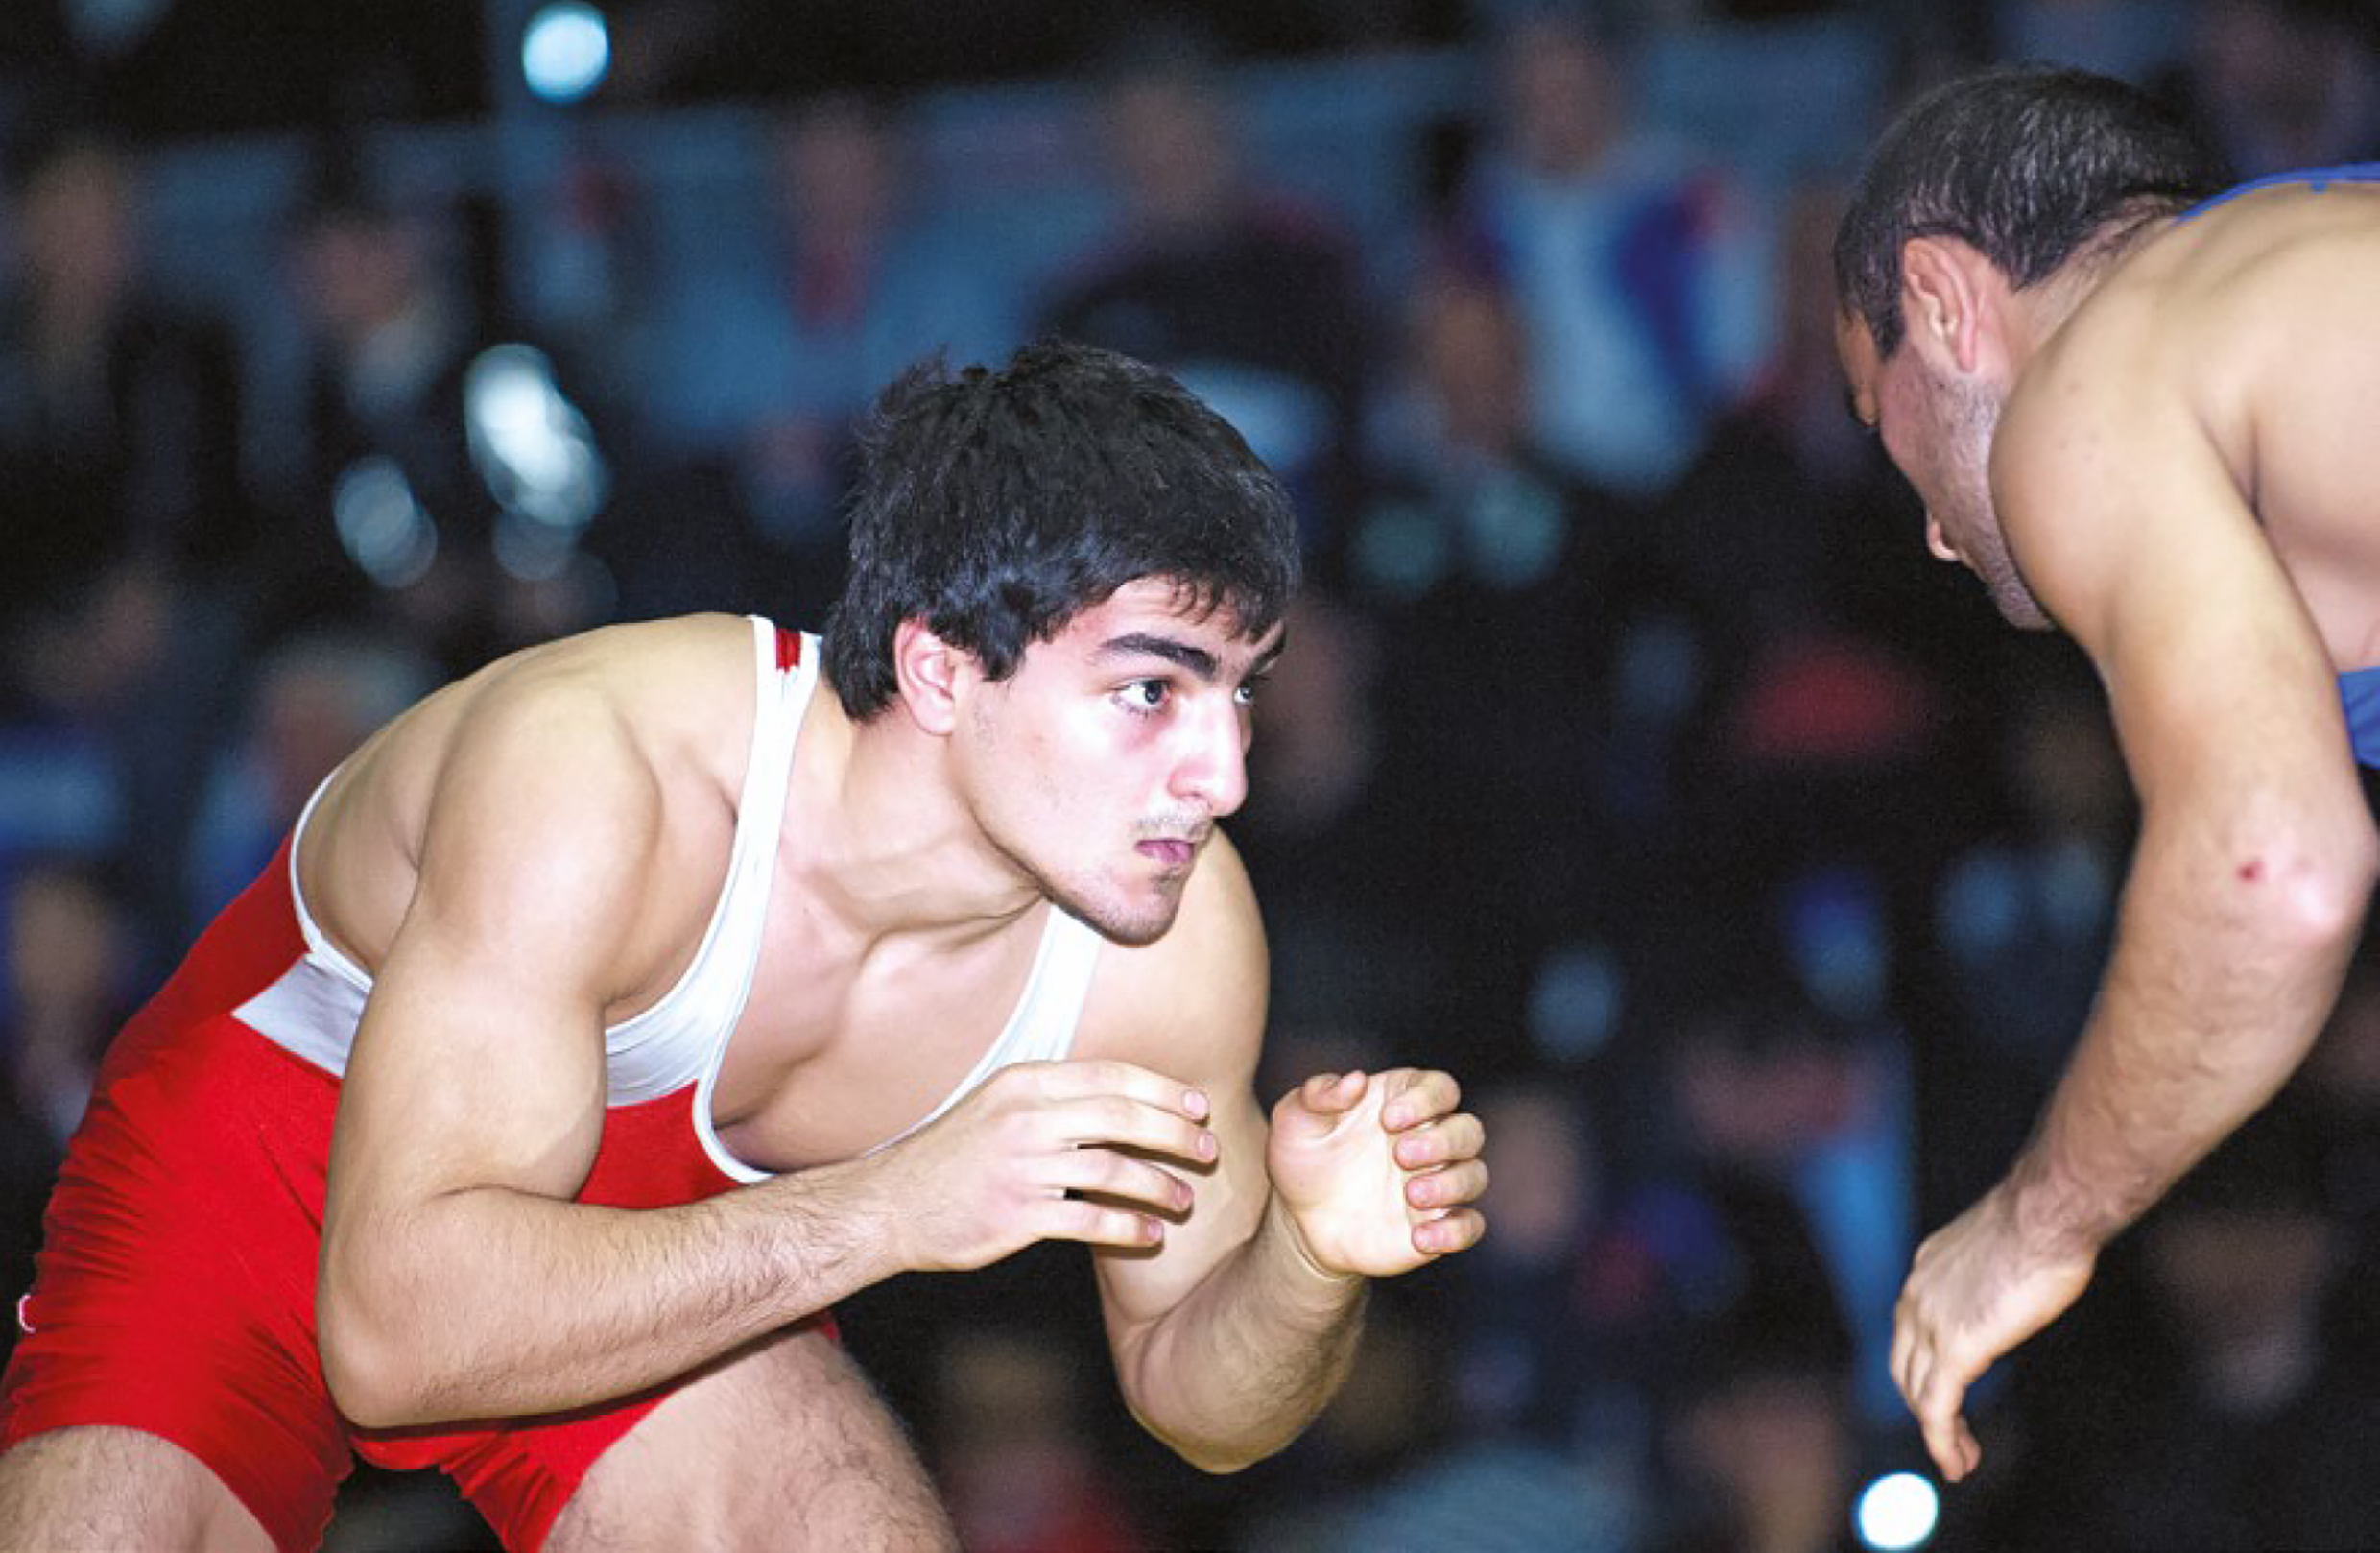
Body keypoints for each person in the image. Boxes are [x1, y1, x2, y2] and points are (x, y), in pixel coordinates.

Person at [0, 339, 1489, 1551]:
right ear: (941, 667)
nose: (1223, 774)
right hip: (268, 1165)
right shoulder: (605, 770)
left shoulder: (1169, 937)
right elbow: (394, 1331)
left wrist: (1306, 1260)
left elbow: (1200, 1401)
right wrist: (888, 1208)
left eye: (1242, 690)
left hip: (655, 1240)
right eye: (1154, 692)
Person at [1832, 62, 2380, 1483]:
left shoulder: (2098, 374)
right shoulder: (2291, 282)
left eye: (1882, 415)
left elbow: (2275, 872)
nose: (1933, 532)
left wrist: (2036, 1223)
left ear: (1944, 301)